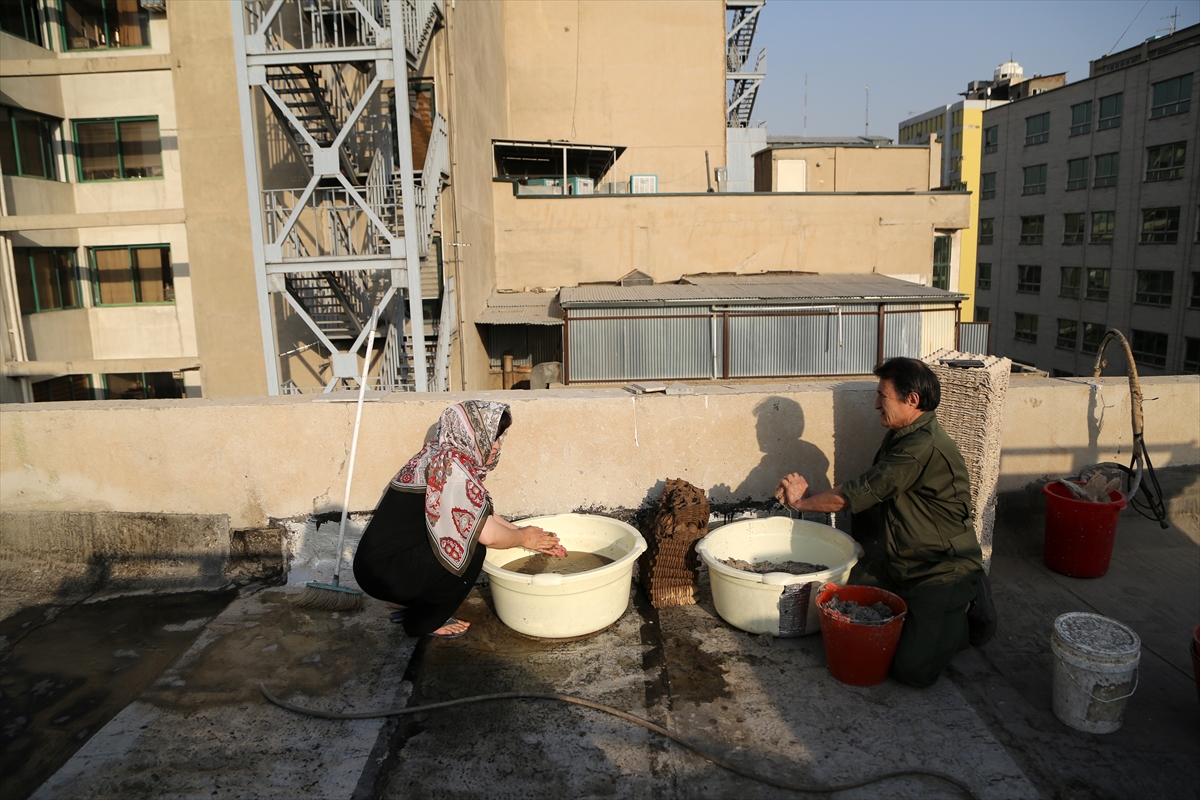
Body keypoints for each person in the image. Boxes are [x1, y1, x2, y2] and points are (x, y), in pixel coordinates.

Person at [775, 357, 996, 687]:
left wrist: (803, 501)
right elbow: (871, 489)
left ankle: (968, 608)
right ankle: (930, 616)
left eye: (884, 396)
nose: (876, 404)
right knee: (837, 606)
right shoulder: (903, 433)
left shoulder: (921, 447)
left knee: (912, 671)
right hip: (899, 562)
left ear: (912, 400)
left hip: (940, 569)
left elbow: (859, 493)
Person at [353, 400, 565, 638]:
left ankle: (401, 602)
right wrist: (524, 538)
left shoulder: (436, 454)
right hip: (386, 575)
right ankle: (423, 622)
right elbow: (487, 534)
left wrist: (525, 532)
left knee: (463, 535)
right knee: (471, 550)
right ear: (470, 433)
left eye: (498, 438)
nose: (495, 446)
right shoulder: (453, 466)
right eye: (490, 437)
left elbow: (482, 514)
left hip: (374, 568)